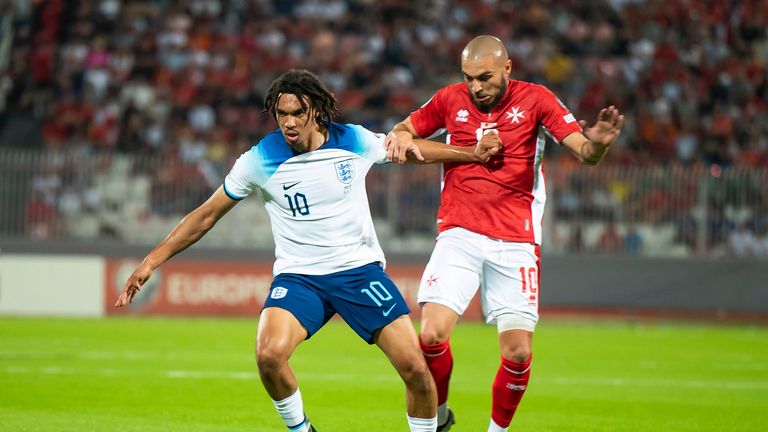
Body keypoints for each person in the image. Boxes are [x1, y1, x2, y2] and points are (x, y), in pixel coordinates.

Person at [115, 69, 500, 432]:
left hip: (358, 272)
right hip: (300, 278)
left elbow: (413, 149)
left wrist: (473, 155)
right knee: (268, 354)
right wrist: (151, 260)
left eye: (297, 113)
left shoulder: (353, 139)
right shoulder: (258, 160)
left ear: (315, 110)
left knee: (417, 370)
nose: (289, 123)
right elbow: (205, 216)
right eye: (281, 114)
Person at [385, 35, 624, 432]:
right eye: (468, 78)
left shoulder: (537, 99)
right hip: (459, 232)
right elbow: (405, 128)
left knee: (516, 353)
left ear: (507, 69)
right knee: (429, 335)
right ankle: (438, 412)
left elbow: (583, 150)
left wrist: (597, 146)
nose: (476, 87)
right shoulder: (449, 99)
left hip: (516, 240)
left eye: (485, 77)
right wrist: (399, 136)